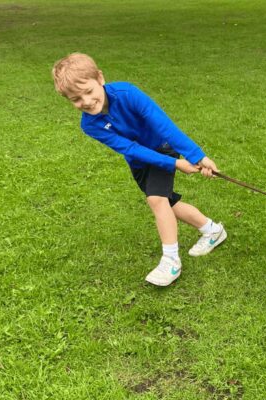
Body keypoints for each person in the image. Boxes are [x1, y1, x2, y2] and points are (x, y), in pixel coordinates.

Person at [52, 53, 227, 287]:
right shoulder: (90, 125)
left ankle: (171, 261)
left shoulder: (128, 94)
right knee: (168, 203)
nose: (85, 101)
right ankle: (212, 230)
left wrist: (196, 156)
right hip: (139, 161)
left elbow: (163, 125)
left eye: (88, 91)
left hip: (162, 148)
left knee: (156, 200)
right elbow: (130, 148)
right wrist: (176, 165)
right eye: (75, 99)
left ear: (100, 78)